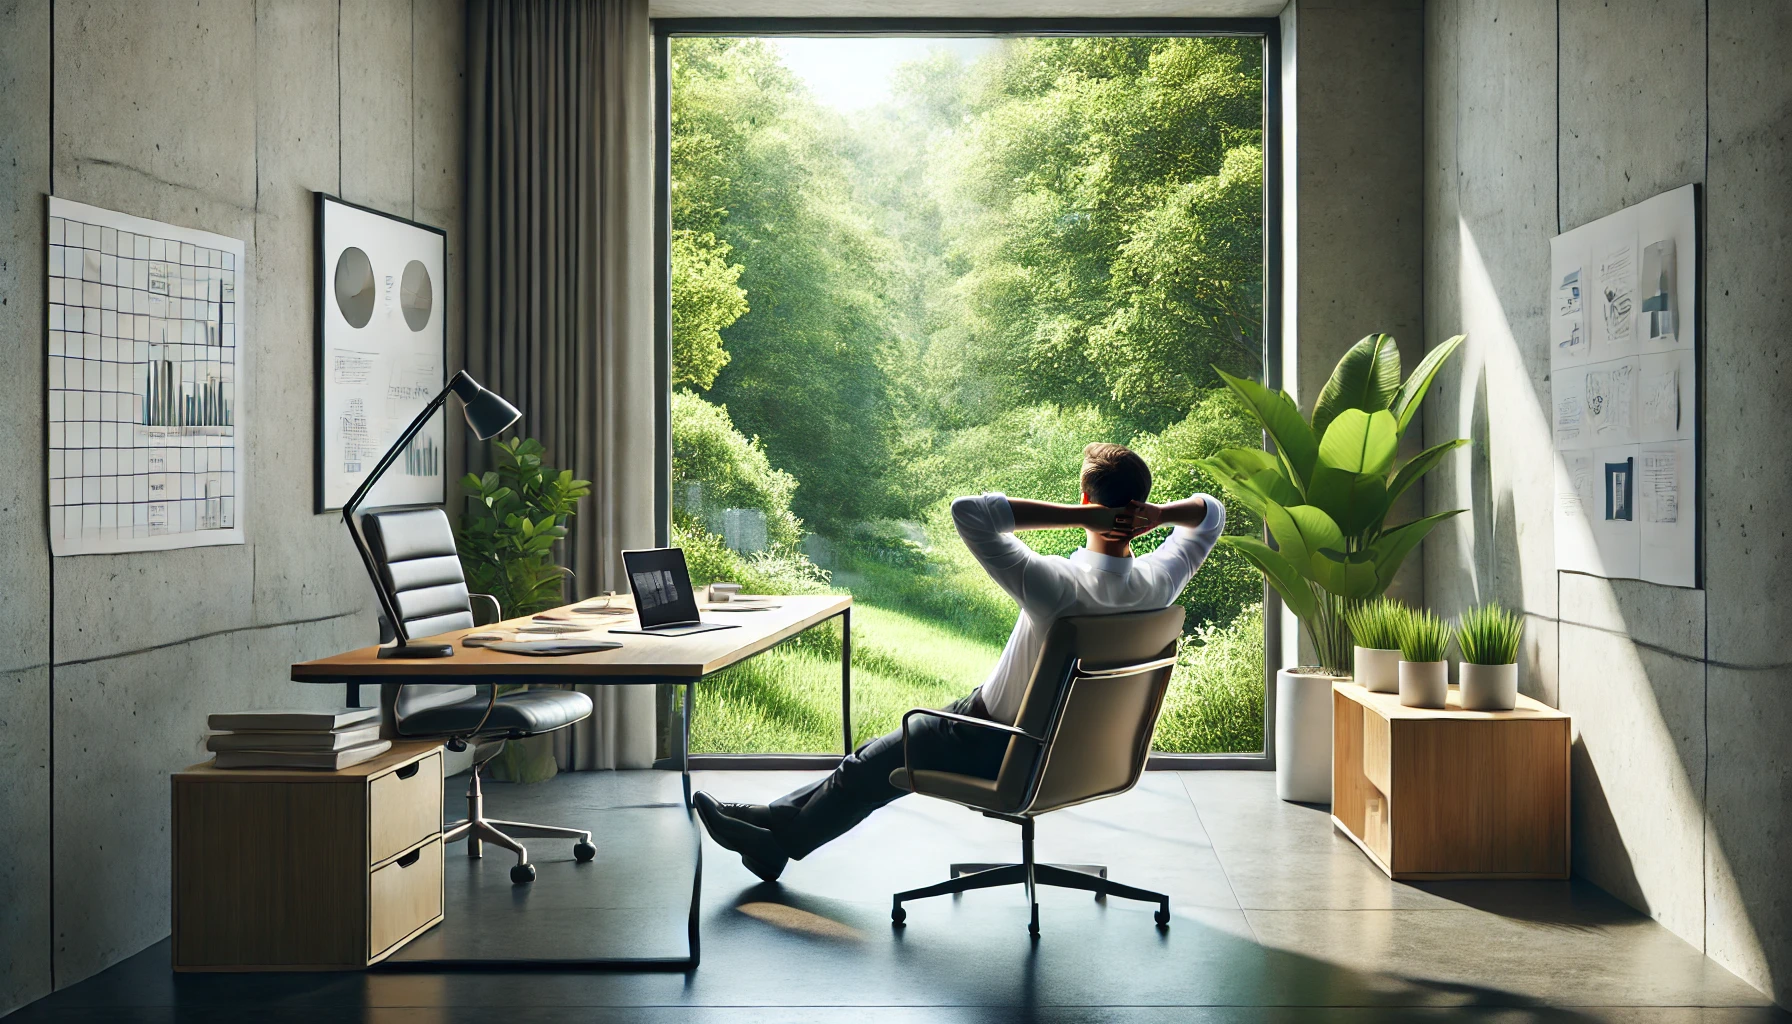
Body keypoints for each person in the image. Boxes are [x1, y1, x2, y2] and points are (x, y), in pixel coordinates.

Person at [692, 442, 1225, 882]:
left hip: (998, 741)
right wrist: (1158, 516)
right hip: (1084, 755)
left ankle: (777, 843)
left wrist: (1079, 517)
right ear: (1142, 510)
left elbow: (969, 511)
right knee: (874, 757)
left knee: (872, 765)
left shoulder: (1055, 585)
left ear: (1087, 500)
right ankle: (772, 821)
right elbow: (1210, 514)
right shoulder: (1160, 582)